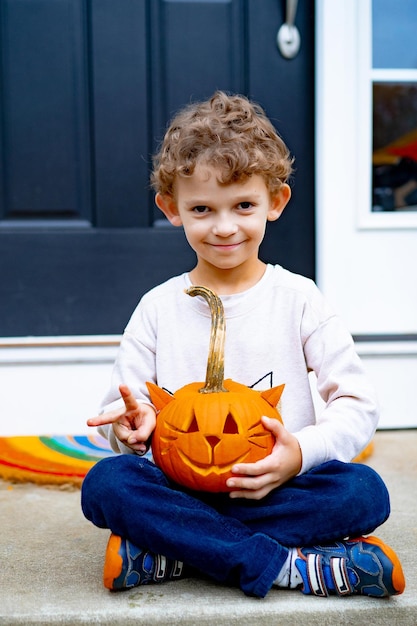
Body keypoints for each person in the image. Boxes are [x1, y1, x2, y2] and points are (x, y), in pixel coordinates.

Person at [81, 91, 405, 599]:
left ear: (275, 202)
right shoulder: (158, 307)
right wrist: (132, 431)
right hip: (179, 488)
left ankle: (174, 550)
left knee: (364, 492)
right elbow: (123, 412)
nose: (225, 226)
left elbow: (357, 403)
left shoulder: (298, 298)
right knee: (108, 484)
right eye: (203, 209)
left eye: (244, 205)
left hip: (277, 489)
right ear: (172, 208)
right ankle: (289, 567)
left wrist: (300, 454)